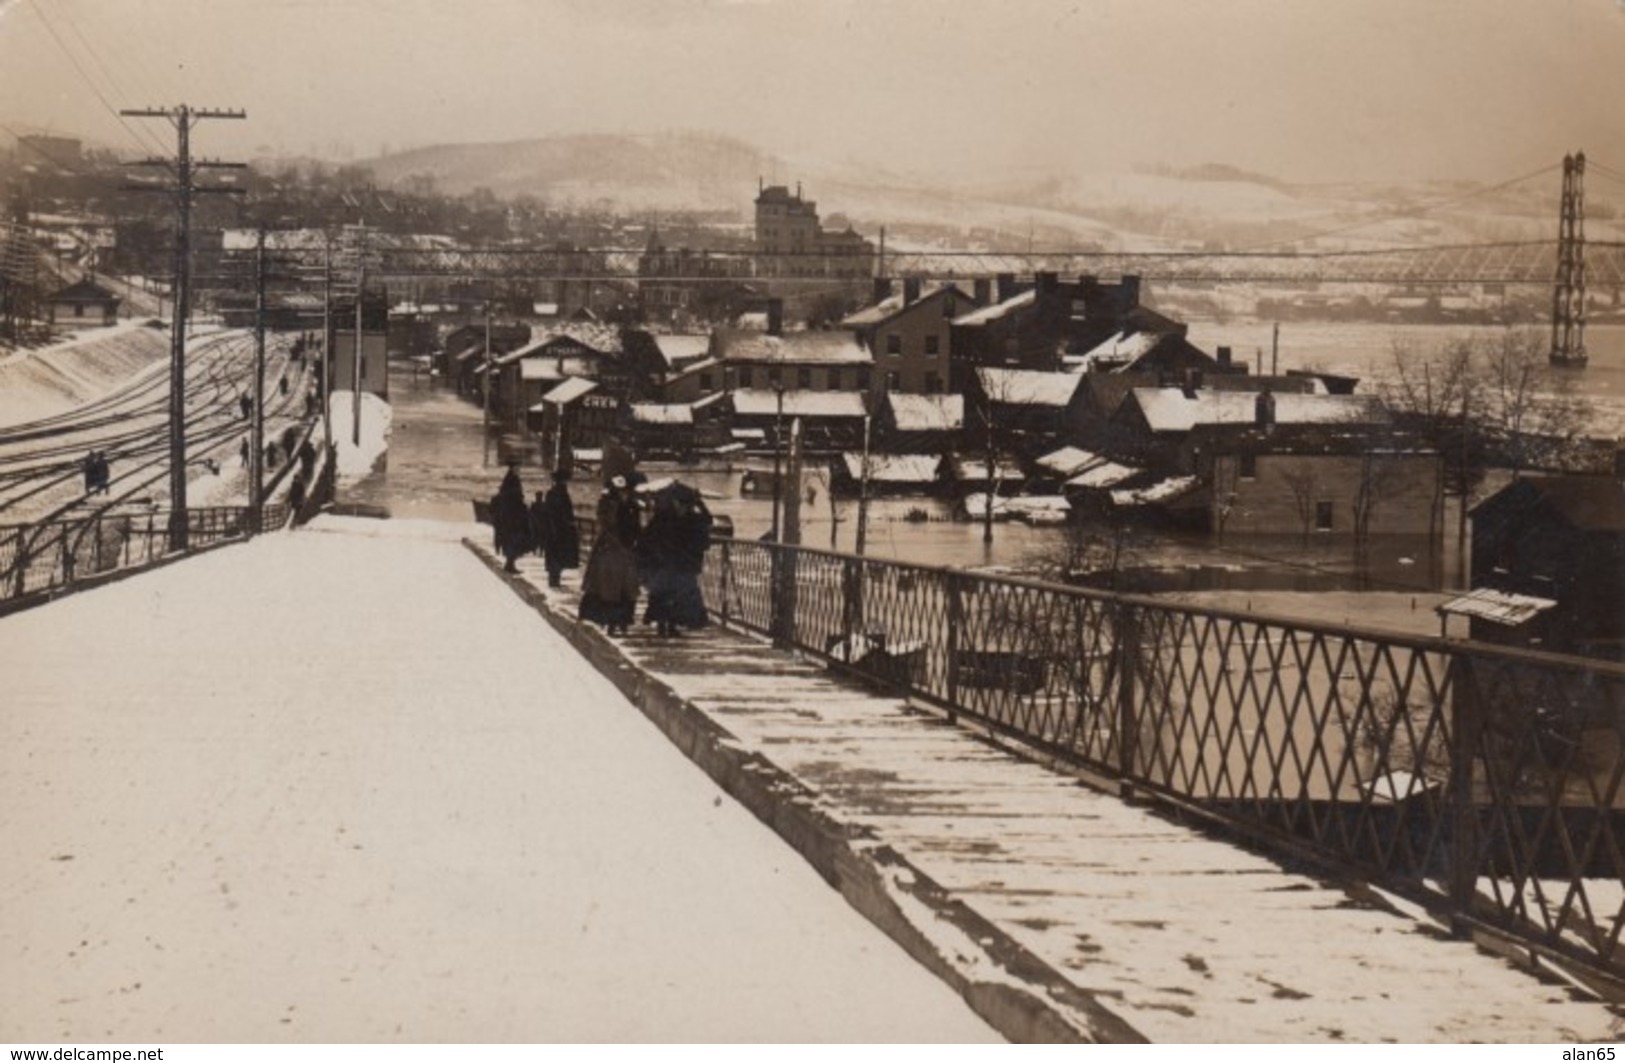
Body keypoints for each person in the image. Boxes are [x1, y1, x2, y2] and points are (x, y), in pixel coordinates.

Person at [636, 483, 712, 637]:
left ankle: (669, 626)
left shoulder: (680, 518)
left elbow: (707, 520)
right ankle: (665, 626)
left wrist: (699, 503)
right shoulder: (671, 518)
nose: (681, 507)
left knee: (670, 596)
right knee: (667, 595)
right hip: (669, 564)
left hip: (673, 564)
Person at [578, 474, 641, 635]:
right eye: (620, 491)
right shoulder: (608, 505)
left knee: (626, 588)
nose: (624, 493)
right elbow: (604, 524)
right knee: (611, 588)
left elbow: (636, 526)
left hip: (625, 549)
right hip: (612, 548)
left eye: (625, 491)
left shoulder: (632, 505)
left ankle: (623, 621)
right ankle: (612, 622)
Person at [533, 467, 581, 589]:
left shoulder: (551, 494)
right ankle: (555, 578)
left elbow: (548, 511)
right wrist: (570, 524)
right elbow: (566, 513)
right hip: (561, 529)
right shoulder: (563, 494)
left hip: (552, 528)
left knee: (553, 554)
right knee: (560, 554)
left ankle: (553, 578)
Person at [489, 464, 531, 574]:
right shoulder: (513, 480)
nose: (519, 470)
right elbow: (514, 498)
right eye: (517, 468)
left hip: (509, 517)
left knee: (510, 540)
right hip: (513, 517)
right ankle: (510, 564)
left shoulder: (508, 480)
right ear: (513, 469)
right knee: (514, 540)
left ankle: (510, 564)